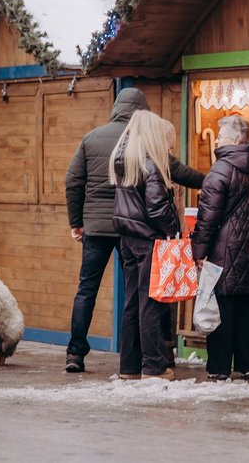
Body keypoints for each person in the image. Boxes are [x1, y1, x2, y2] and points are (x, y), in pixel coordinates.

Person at [64, 88, 203, 373]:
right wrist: (212, 180)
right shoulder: (144, 141)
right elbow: (178, 172)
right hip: (136, 228)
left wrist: (76, 221)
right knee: (143, 294)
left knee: (87, 288)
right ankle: (157, 356)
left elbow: (73, 181)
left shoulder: (92, 138)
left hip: (98, 226)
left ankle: (75, 353)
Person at [190, 115, 249, 381]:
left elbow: (207, 218)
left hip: (224, 251)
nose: (217, 140)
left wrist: (198, 252)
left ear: (237, 140)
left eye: (222, 136)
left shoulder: (221, 169)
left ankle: (218, 368)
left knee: (222, 305)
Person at [109, 110, 184, 380]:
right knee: (151, 304)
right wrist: (173, 228)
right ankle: (153, 366)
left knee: (132, 303)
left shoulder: (122, 160)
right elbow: (156, 208)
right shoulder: (151, 164)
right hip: (148, 241)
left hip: (127, 240)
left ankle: (128, 367)